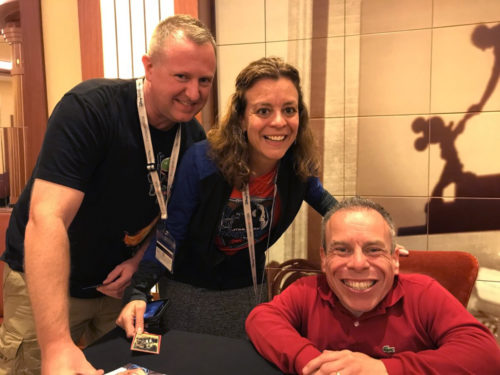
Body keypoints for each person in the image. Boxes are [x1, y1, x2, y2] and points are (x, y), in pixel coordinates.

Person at [0, 14, 216, 375]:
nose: (194, 93)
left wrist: (137, 265)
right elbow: (47, 216)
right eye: (181, 76)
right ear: (148, 67)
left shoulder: (193, 140)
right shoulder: (90, 109)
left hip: (117, 290)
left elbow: (172, 221)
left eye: (204, 80)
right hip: (49, 287)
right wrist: (55, 346)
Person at [116, 56, 337, 339]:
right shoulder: (203, 161)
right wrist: (138, 290)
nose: (279, 122)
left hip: (249, 290)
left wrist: (375, 237)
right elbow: (170, 233)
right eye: (264, 110)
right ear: (242, 118)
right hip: (191, 293)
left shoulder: (296, 166)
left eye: (289, 110)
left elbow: (332, 208)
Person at [245, 197, 500, 375]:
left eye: (374, 249)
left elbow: (485, 355)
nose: (357, 263)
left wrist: (384, 369)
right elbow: (261, 318)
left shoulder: (423, 293)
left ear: (395, 259)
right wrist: (314, 363)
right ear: (324, 259)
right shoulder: (308, 290)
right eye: (342, 250)